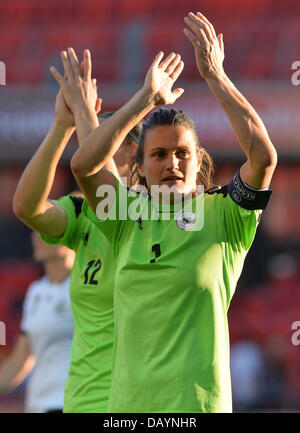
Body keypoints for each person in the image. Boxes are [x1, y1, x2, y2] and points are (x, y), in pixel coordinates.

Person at [69, 12, 277, 413]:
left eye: (182, 154)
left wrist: (215, 76)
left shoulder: (225, 215)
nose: (172, 164)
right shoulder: (122, 215)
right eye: (159, 155)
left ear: (199, 161)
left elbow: (263, 157)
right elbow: (83, 166)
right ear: (141, 166)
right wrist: (144, 100)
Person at [13, 49, 142, 412]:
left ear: (135, 157)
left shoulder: (152, 213)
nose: (92, 145)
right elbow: (27, 207)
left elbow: (104, 189)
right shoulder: (80, 211)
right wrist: (61, 126)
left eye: (106, 138)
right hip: (80, 402)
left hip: (132, 405)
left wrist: (83, 114)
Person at [0, 232, 75, 413]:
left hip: (71, 404)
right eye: (34, 229)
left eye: (46, 228)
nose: (36, 236)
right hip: (37, 406)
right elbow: (21, 359)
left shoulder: (89, 289)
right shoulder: (36, 291)